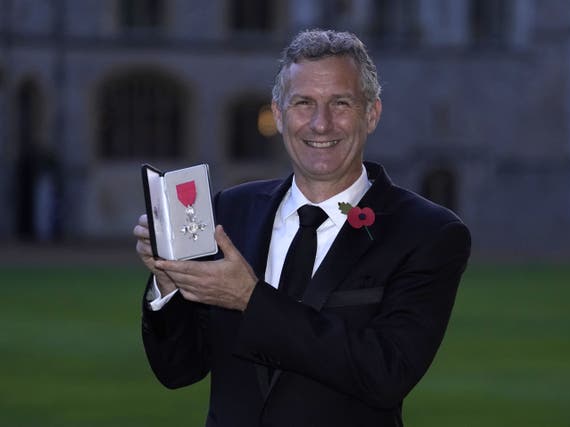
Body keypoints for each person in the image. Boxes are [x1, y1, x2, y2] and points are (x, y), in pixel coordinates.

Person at [134, 29, 471, 427]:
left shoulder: (428, 233)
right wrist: (169, 284)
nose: (320, 124)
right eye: (303, 103)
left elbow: (385, 372)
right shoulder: (229, 210)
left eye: (340, 103)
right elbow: (178, 370)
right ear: (278, 115)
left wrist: (250, 299)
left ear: (372, 114)